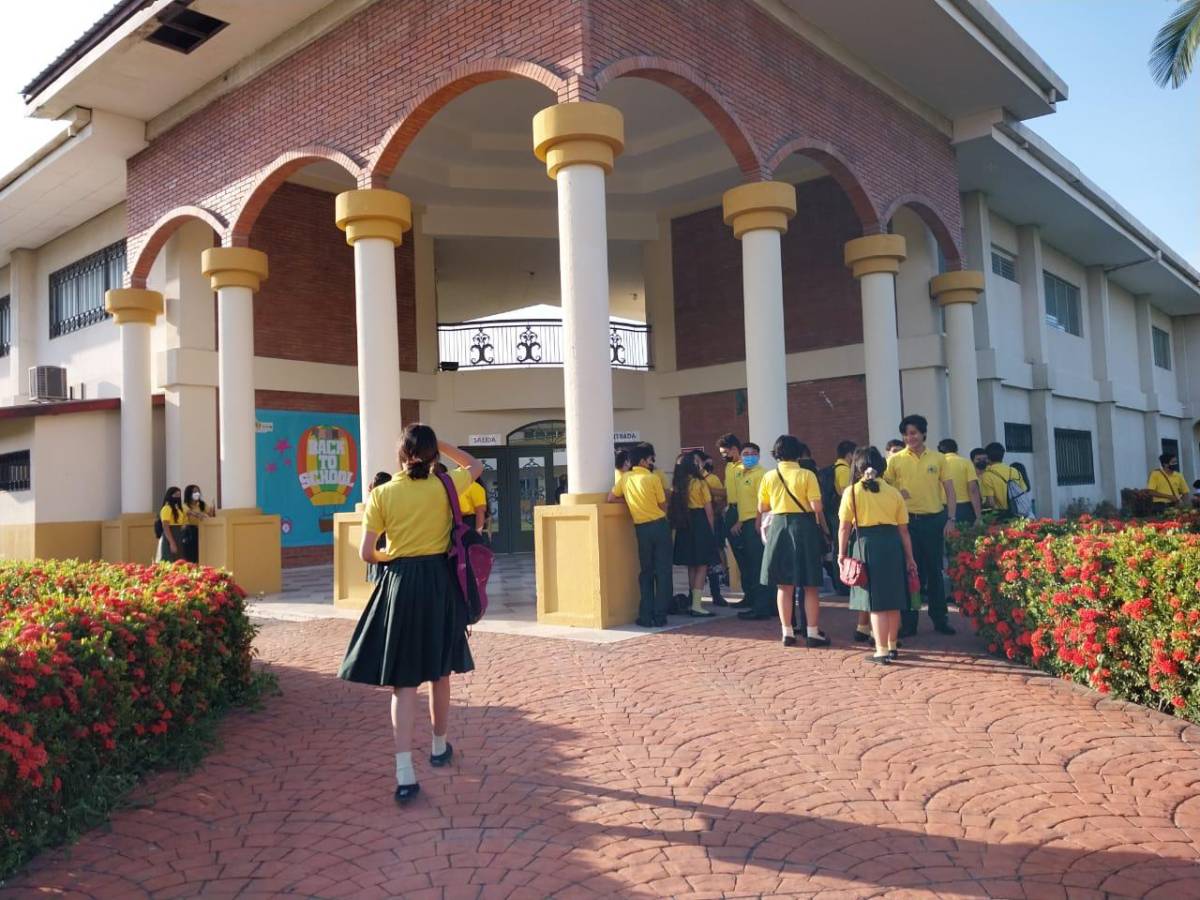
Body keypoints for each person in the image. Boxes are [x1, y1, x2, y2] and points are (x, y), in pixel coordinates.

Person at [338, 424, 483, 805]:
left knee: (404, 683)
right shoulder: (446, 485)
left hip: (401, 584)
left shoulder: (382, 494)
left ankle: (404, 773)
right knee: (439, 672)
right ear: (434, 454)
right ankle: (438, 747)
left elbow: (367, 553)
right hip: (439, 582)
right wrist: (440, 446)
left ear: (401, 455)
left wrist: (396, 558)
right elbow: (475, 464)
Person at [838, 446, 918, 665]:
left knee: (874, 602)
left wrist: (841, 553)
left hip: (866, 545)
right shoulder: (894, 492)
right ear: (882, 467)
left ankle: (881, 650)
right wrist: (910, 558)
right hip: (892, 545)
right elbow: (904, 530)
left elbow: (844, 527)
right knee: (893, 600)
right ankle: (892, 646)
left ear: (859, 467)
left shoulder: (851, 492)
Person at [884, 414, 958, 637]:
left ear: (924, 433)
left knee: (935, 572)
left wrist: (951, 519)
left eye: (914, 433)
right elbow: (884, 487)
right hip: (906, 523)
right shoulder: (895, 460)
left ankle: (940, 618)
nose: (910, 438)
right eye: (906, 434)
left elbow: (950, 490)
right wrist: (897, 492)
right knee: (910, 572)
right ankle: (909, 623)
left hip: (933, 521)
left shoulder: (938, 459)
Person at [758, 435, 830, 647]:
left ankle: (787, 631)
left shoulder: (769, 476)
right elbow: (816, 507)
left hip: (779, 526)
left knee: (784, 585)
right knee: (810, 585)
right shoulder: (806, 474)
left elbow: (763, 507)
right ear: (798, 452)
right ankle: (813, 632)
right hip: (804, 526)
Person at [607, 442, 671, 627]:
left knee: (646, 572)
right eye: (650, 459)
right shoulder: (652, 478)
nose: (652, 462)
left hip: (641, 528)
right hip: (659, 526)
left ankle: (645, 615)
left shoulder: (625, 479)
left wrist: (631, 502)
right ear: (643, 460)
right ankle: (660, 616)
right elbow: (663, 504)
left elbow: (611, 498)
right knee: (663, 572)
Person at [669, 453, 718, 618]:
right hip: (699, 523)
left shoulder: (678, 484)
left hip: (684, 525)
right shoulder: (700, 483)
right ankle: (697, 605)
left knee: (691, 565)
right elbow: (709, 511)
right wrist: (711, 531)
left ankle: (693, 602)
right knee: (702, 565)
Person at [731, 442, 773, 621]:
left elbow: (762, 502)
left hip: (756, 523)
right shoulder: (740, 473)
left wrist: (757, 521)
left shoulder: (761, 474)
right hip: (745, 523)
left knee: (758, 567)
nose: (749, 456)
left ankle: (762, 607)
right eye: (745, 453)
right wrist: (740, 520)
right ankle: (759, 603)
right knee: (750, 566)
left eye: (753, 453)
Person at [716, 433, 748, 608]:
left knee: (748, 558)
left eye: (725, 452)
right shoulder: (729, 468)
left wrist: (740, 521)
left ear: (735, 449)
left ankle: (756, 596)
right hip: (732, 511)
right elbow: (728, 492)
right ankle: (748, 595)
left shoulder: (746, 467)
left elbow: (748, 498)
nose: (723, 456)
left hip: (742, 514)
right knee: (739, 558)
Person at [698, 451, 730, 606]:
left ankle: (717, 589)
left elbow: (723, 496)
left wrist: (708, 490)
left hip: (712, 521)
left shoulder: (712, 479)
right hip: (698, 524)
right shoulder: (693, 481)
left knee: (716, 553)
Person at [937, 438, 982, 525]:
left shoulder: (937, 464)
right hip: (964, 508)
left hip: (942, 509)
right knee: (965, 536)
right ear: (956, 449)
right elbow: (973, 490)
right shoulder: (966, 463)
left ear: (939, 451)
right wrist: (978, 516)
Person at [979, 442, 1027, 518]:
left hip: (1001, 515)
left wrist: (981, 505)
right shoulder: (1014, 471)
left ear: (988, 457)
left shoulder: (987, 475)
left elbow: (991, 503)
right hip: (1019, 513)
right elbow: (1024, 491)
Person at [365, 471, 393, 583]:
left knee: (377, 584)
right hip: (384, 550)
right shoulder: (384, 501)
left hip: (375, 550)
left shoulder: (372, 501)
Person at [179, 484, 215, 564]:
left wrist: (212, 511)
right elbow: (189, 512)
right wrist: (199, 515)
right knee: (191, 554)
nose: (197, 493)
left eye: (198, 491)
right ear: (189, 494)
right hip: (190, 532)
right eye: (195, 491)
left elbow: (210, 514)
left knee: (200, 553)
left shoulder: (202, 504)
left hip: (201, 531)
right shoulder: (184, 505)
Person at [156, 486, 186, 562]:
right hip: (170, 537)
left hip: (179, 536)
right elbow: (165, 527)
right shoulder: (166, 508)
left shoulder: (179, 509)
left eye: (179, 495)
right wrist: (172, 543)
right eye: (175, 495)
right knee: (169, 560)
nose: (178, 497)